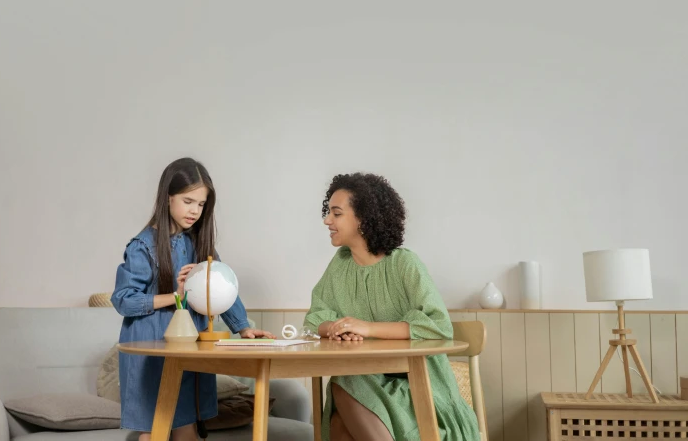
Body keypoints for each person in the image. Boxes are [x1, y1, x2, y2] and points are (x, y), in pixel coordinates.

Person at [304, 172, 479, 441]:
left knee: (343, 400)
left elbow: (437, 324)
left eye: (336, 213)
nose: (327, 220)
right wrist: (337, 328)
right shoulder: (339, 265)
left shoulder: (404, 263)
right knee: (343, 395)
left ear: (362, 218)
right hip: (366, 382)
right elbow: (316, 318)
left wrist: (366, 327)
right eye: (328, 212)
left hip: (418, 387)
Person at [111, 157, 274, 441]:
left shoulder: (198, 243)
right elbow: (123, 300)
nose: (195, 211)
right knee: (154, 433)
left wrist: (244, 328)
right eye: (188, 201)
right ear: (168, 197)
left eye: (201, 204)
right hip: (152, 351)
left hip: (190, 349)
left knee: (186, 430)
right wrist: (176, 297)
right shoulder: (143, 246)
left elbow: (220, 286)